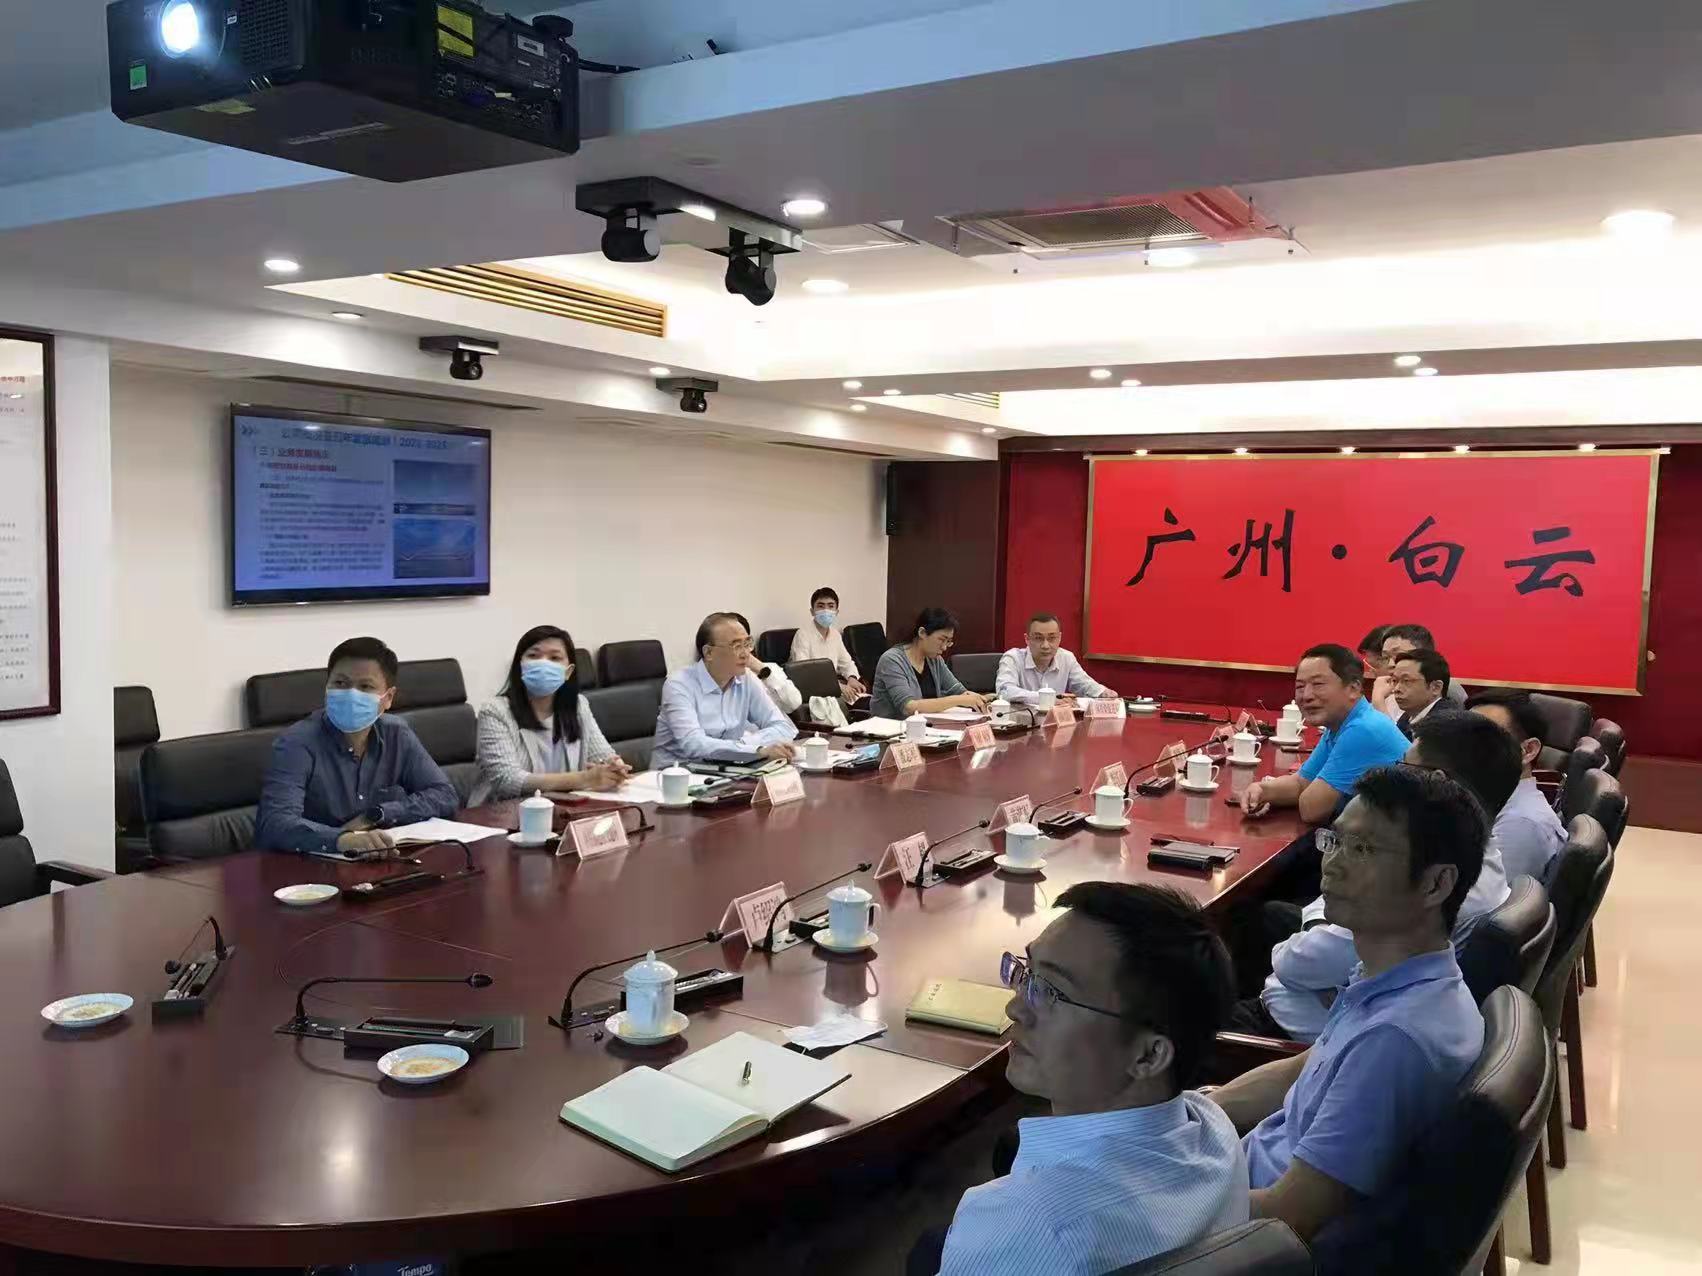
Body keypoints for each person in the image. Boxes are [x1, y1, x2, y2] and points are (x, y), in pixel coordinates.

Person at [1209, 766, 1489, 1242]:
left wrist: (1167, 1203)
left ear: (1436, 884)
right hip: (1235, 1173)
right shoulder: (1393, 979)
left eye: (1362, 850)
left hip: (1237, 1234)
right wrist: (1200, 1109)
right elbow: (1301, 1070)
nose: (1332, 865)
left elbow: (1288, 1215)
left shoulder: (1394, 1040)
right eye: (1335, 841)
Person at [933, 883, 1247, 1275]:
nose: (1016, 1008)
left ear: (1148, 1056)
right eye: (1027, 974)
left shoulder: (1029, 1226)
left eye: (1052, 992)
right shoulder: (1215, 1131)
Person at [1232, 711, 1515, 1043]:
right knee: (1265, 916)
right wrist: (1321, 920)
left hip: (1286, 1030)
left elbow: (1296, 965)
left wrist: (1319, 926)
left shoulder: (1424, 879)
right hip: (1321, 1010)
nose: (1333, 865)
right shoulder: (1476, 858)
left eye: (1405, 767)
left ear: (1437, 782)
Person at [256, 637, 459, 856]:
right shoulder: (296, 743)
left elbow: (444, 795)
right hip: (309, 867)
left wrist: (377, 814)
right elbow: (275, 823)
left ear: (388, 698)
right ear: (326, 688)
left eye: (365, 687)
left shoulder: (397, 734)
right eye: (340, 683)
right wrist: (342, 839)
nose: (351, 694)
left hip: (377, 860)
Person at [1241, 644, 1409, 825]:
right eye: (1300, 686)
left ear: (1353, 688)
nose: (1306, 695)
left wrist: (1282, 794)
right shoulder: (1341, 722)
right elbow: (1301, 783)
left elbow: (1311, 809)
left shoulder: (1363, 729)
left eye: (1318, 684)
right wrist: (1261, 790)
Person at [470, 625, 630, 807]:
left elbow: (601, 755)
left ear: (568, 672)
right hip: (502, 814)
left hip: (565, 809)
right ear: (520, 666)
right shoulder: (495, 711)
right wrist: (584, 779)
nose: (543, 664)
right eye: (533, 656)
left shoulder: (578, 706)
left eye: (555, 658)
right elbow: (508, 780)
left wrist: (614, 767)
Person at [651, 613, 799, 768]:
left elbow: (783, 728)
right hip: (677, 774)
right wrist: (756, 750)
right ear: (709, 653)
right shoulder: (679, 684)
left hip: (728, 769)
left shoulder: (746, 678)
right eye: (736, 646)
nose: (745, 654)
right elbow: (694, 745)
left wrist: (742, 746)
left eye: (747, 644)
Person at [1467, 688, 1569, 884]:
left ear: (1528, 750)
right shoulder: (1495, 801)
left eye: (1483, 737)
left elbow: (1482, 900)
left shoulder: (1520, 824)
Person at [870, 607, 990, 720]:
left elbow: (958, 691)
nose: (944, 647)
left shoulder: (935, 660)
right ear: (922, 633)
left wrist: (982, 699)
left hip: (926, 728)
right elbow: (909, 707)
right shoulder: (892, 660)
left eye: (948, 642)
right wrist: (959, 700)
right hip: (891, 730)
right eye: (941, 640)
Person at [995, 612, 1119, 705]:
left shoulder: (1066, 658)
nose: (1045, 645)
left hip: (1056, 725)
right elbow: (1005, 691)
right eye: (1038, 638)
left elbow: (1084, 684)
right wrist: (1046, 699)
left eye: (1052, 638)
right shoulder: (1013, 658)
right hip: (1021, 724)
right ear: (1027, 639)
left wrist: (1103, 693)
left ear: (1059, 638)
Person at [788, 586, 867, 702]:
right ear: (812, 611)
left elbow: (846, 663)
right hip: (810, 693)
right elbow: (804, 673)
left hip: (832, 691)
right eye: (820, 606)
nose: (826, 610)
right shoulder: (802, 635)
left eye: (830, 606)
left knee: (865, 701)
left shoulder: (835, 635)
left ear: (836, 612)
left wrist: (852, 678)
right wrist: (838, 686)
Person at [1373, 623, 1468, 718]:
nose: (1391, 664)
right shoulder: (1387, 689)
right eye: (1385, 657)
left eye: (1399, 655)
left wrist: (1378, 702)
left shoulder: (1449, 688)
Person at [726, 612, 802, 716]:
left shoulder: (769, 668)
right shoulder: (719, 678)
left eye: (743, 642)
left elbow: (794, 703)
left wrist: (763, 670)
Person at [1388, 648, 1461, 739]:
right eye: (1395, 681)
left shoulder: (1449, 726)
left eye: (1406, 681)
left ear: (1436, 687)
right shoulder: (1407, 718)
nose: (1396, 689)